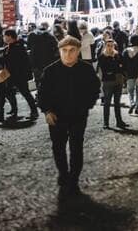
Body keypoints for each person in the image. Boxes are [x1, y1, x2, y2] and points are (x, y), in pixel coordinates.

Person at [39, 36, 100, 196]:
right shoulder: (50, 71)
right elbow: (42, 94)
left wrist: (87, 105)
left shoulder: (86, 70)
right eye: (64, 51)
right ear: (59, 51)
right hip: (56, 116)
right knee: (58, 147)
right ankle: (63, 173)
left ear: (78, 51)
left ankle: (73, 178)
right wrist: (47, 111)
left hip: (78, 116)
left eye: (72, 50)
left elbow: (94, 89)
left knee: (76, 147)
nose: (68, 54)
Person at [2, 28, 38, 121]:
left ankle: (34, 111)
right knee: (9, 92)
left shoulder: (18, 47)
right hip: (11, 75)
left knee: (25, 93)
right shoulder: (9, 47)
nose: (4, 38)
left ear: (10, 36)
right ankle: (14, 110)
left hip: (19, 75)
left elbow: (21, 63)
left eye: (5, 36)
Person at [97, 38, 128, 129]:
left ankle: (119, 121)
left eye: (112, 45)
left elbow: (123, 66)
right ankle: (106, 123)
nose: (110, 47)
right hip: (108, 81)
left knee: (117, 102)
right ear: (105, 46)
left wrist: (117, 68)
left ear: (114, 46)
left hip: (118, 80)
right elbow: (106, 68)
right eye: (108, 45)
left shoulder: (117, 55)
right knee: (107, 102)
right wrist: (117, 66)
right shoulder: (102, 56)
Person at [27, 21, 60, 94]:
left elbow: (28, 47)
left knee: (38, 80)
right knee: (47, 80)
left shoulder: (31, 35)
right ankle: (47, 95)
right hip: (48, 63)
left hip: (35, 62)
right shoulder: (51, 37)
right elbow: (56, 49)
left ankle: (39, 94)